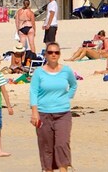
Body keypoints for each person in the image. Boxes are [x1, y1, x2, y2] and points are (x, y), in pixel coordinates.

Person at [30, 42, 77, 172]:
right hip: (43, 114)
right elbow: (33, 92)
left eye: (56, 52)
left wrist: (67, 97)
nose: (53, 55)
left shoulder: (66, 70)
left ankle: (64, 169)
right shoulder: (39, 72)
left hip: (63, 114)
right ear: (45, 55)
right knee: (46, 147)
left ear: (59, 54)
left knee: (62, 144)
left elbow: (73, 85)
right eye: (50, 52)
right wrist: (35, 113)